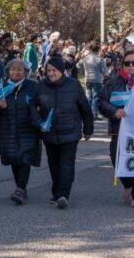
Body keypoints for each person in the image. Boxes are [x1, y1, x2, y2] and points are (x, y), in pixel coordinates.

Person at [31, 56, 93, 209]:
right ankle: (56, 192)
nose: (51, 73)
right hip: (49, 133)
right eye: (49, 70)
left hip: (70, 132)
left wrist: (88, 128)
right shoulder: (40, 86)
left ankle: (64, 194)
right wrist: (39, 122)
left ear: (62, 71)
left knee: (66, 164)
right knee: (54, 164)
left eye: (54, 70)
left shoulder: (74, 85)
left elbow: (84, 107)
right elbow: (32, 107)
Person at [0, 59, 41, 205]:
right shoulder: (2, 88)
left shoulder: (33, 87)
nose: (16, 72)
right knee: (14, 160)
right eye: (13, 69)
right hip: (8, 130)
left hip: (28, 129)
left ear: (26, 72)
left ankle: (20, 189)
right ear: (8, 72)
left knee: (25, 159)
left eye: (19, 69)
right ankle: (20, 188)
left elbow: (43, 104)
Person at [99, 49, 134, 207]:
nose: (131, 66)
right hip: (118, 129)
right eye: (127, 63)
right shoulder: (114, 81)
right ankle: (128, 184)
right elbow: (101, 101)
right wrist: (114, 111)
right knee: (117, 160)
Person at [78, 43, 108, 121]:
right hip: (97, 80)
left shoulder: (85, 58)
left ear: (91, 50)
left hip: (88, 79)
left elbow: (78, 65)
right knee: (95, 97)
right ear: (98, 50)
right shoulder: (100, 59)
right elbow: (104, 70)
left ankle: (87, 113)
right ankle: (94, 114)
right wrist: (106, 75)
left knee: (88, 97)